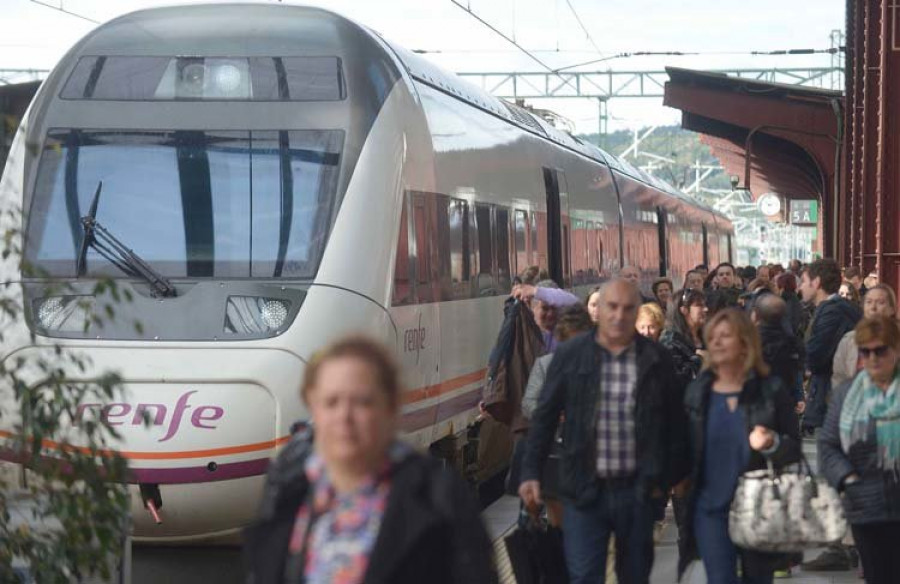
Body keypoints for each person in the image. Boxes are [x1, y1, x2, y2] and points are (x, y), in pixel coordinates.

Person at [244, 336, 497, 584]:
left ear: (390, 407)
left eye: (362, 402)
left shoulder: (437, 495)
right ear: (313, 408)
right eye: (331, 402)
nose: (345, 416)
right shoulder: (290, 490)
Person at [520, 279, 689, 584]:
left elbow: (676, 423)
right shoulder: (571, 355)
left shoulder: (655, 358)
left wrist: (664, 481)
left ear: (637, 312)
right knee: (584, 575)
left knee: (634, 575)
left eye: (628, 309)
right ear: (599, 310)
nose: (619, 316)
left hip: (637, 491)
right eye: (612, 307)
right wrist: (531, 472)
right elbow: (544, 416)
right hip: (585, 489)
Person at [680, 309, 801, 584]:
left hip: (758, 507)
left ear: (745, 343)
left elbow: (794, 449)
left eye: (726, 336)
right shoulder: (698, 392)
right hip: (711, 508)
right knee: (720, 578)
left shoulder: (770, 390)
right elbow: (683, 445)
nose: (717, 343)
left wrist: (772, 443)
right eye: (713, 337)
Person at [819, 316, 900, 584]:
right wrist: (847, 479)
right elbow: (829, 445)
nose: (872, 358)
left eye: (880, 350)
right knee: (879, 576)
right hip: (865, 504)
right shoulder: (847, 393)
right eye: (865, 351)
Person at [521, 304, 594, 527]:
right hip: (555, 451)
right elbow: (529, 403)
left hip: (590, 458)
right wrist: (553, 414)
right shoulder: (545, 365)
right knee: (559, 521)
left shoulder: (600, 365)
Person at [800, 259, 862, 433]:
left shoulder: (831, 312)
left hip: (832, 396)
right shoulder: (840, 309)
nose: (800, 287)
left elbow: (817, 355)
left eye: (804, 281)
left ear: (817, 282)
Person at [833, 284, 897, 389]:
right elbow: (839, 377)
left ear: (892, 309)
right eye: (869, 302)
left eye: (880, 303)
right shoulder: (849, 340)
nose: (873, 307)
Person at [751, 294, 805, 414]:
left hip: (757, 406)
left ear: (756, 315)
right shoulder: (791, 342)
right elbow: (796, 372)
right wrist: (799, 396)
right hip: (785, 403)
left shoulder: (751, 341)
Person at [774, 272, 803, 337]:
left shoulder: (786, 301)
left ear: (782, 287)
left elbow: (789, 327)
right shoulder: (793, 299)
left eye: (776, 284)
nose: (775, 287)